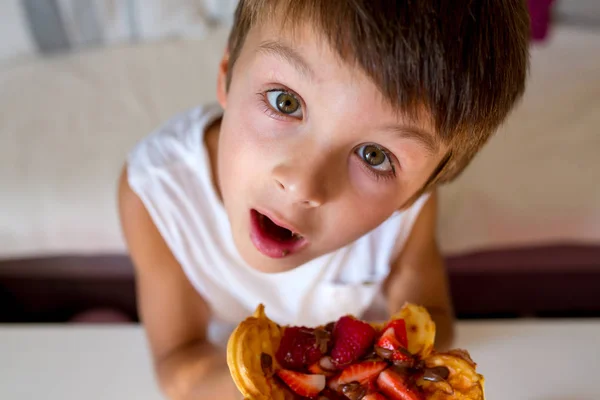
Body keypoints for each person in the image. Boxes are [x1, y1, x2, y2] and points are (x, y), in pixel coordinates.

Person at [117, 1, 530, 398]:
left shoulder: (407, 217)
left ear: (417, 192)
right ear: (227, 75)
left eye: (375, 156)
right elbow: (178, 365)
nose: (302, 185)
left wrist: (363, 371)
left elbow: (433, 319)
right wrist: (298, 381)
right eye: (286, 102)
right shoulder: (157, 197)